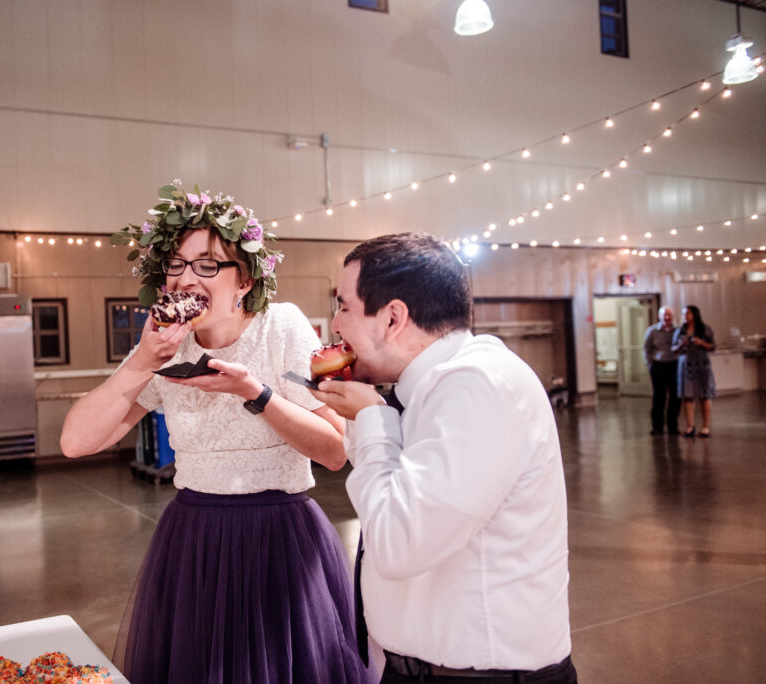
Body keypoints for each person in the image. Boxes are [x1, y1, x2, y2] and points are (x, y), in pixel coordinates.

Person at [60, 182, 372, 684]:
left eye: (207, 266)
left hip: (281, 535)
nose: (187, 278)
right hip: (195, 537)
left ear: (244, 281)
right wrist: (144, 359)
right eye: (177, 266)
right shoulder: (165, 348)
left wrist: (257, 394)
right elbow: (76, 442)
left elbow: (335, 451)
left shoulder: (281, 326)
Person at [312, 232, 577, 683]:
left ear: (394, 317)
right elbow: (393, 486)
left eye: (344, 306)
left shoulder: (478, 386)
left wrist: (373, 418)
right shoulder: (424, 389)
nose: (336, 326)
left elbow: (399, 543)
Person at [672, 305, 716, 438]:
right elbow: (673, 348)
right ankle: (690, 426)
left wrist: (701, 343)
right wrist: (681, 344)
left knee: (704, 395)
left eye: (688, 314)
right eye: (684, 314)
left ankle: (706, 426)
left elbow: (712, 346)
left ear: (694, 315)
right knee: (688, 395)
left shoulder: (705, 329)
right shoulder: (680, 331)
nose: (686, 317)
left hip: (701, 363)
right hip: (686, 363)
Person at [643, 306, 681, 435]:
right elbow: (646, 349)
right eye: (664, 315)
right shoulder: (652, 331)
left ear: (673, 316)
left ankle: (673, 426)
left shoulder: (678, 330)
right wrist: (650, 365)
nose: (667, 317)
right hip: (658, 366)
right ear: (659, 316)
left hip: (674, 365)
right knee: (659, 397)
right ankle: (657, 427)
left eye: (669, 315)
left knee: (675, 397)